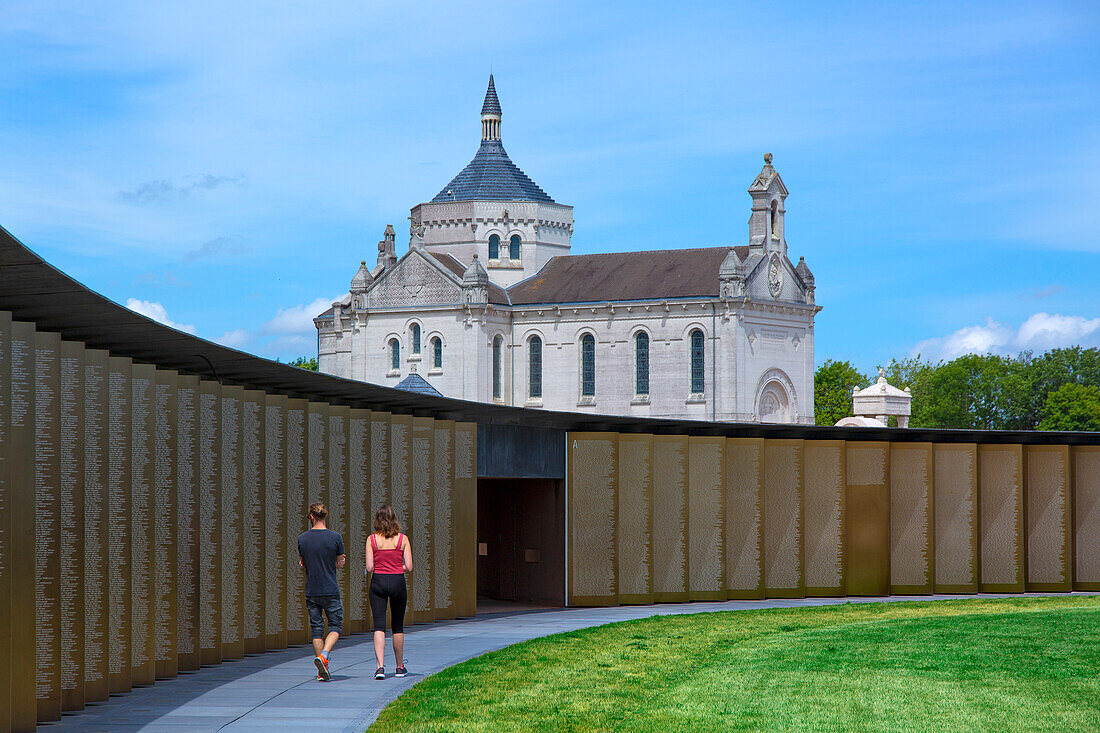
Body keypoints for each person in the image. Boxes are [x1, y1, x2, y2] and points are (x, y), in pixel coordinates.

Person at [298, 502, 346, 681]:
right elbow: (340, 563)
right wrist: (335, 563)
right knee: (335, 626)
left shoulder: (302, 539)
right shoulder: (335, 537)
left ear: (311, 516)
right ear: (325, 516)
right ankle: (324, 656)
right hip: (330, 588)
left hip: (312, 590)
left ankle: (321, 671)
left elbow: (303, 562)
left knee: (317, 630)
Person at [365, 504, 412, 680]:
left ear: (377, 520)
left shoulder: (372, 540)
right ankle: (399, 667)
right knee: (397, 626)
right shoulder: (403, 539)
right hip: (398, 581)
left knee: (379, 625)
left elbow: (370, 567)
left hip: (378, 581)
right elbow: (410, 566)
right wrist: (397, 566)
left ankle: (380, 667)